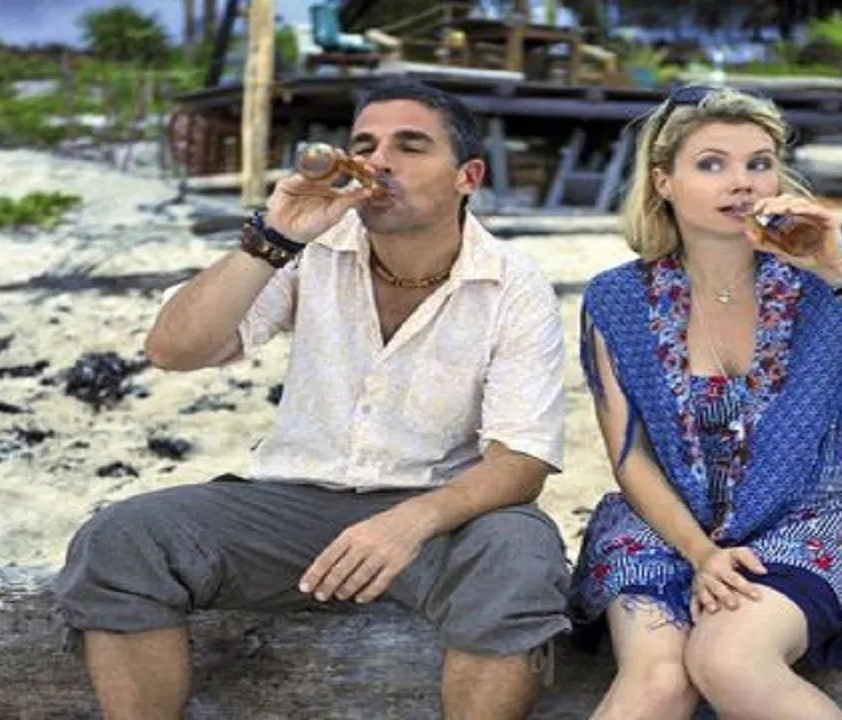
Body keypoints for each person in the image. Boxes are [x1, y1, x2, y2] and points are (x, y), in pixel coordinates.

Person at [52, 79, 571, 720]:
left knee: (520, 557)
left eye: (410, 147)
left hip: (442, 518)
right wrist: (273, 236)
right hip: (288, 506)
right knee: (122, 538)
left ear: (468, 176)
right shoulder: (311, 249)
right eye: (365, 145)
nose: (378, 162)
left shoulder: (514, 284)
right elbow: (173, 349)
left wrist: (408, 522)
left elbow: (522, 462)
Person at [567, 85, 842, 720]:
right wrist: (701, 553)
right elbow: (629, 454)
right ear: (664, 181)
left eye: (759, 163)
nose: (743, 182)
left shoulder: (832, 273)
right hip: (663, 526)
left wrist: (838, 269)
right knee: (659, 680)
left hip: (806, 524)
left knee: (726, 658)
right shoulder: (616, 298)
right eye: (712, 164)